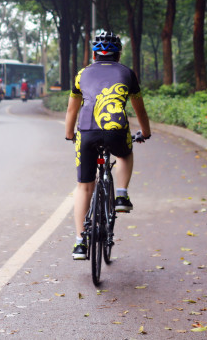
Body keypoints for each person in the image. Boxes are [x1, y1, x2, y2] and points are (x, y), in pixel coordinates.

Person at [65, 30, 151, 260]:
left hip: (86, 132)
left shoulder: (82, 74)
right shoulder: (127, 73)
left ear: (94, 55)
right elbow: (139, 107)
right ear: (118, 54)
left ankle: (80, 243)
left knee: (84, 186)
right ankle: (121, 195)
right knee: (124, 153)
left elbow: (72, 108)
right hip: (115, 129)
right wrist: (146, 131)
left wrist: (68, 134)